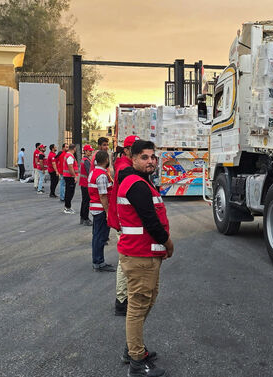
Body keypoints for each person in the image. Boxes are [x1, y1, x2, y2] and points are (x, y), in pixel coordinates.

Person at [117, 140, 171, 376]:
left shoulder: (138, 182)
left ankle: (133, 348)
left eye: (153, 157)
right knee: (138, 306)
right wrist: (168, 243)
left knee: (145, 302)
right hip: (140, 254)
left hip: (144, 253)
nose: (151, 161)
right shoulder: (137, 185)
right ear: (133, 158)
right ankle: (137, 362)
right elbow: (151, 221)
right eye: (144, 157)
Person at [110, 135, 139, 316]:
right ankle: (121, 300)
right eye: (134, 149)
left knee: (127, 261)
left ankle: (124, 297)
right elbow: (123, 173)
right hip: (123, 223)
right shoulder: (124, 165)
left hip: (124, 221)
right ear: (127, 150)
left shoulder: (126, 164)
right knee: (124, 262)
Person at [89, 150, 114, 272]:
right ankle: (99, 262)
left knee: (97, 235)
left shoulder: (94, 172)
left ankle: (97, 260)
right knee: (100, 236)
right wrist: (108, 212)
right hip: (101, 209)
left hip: (95, 208)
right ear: (106, 160)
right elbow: (103, 195)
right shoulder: (102, 175)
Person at [79, 145, 94, 226]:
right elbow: (90, 172)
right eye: (89, 151)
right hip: (86, 184)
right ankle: (85, 218)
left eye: (91, 151)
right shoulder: (86, 161)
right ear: (85, 151)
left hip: (83, 183)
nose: (91, 152)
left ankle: (82, 217)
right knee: (86, 202)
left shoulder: (84, 160)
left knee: (84, 201)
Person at [61, 143, 78, 214]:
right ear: (74, 148)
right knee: (69, 192)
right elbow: (70, 167)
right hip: (70, 177)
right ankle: (67, 207)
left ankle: (67, 207)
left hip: (67, 176)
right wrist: (74, 176)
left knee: (69, 191)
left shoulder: (68, 155)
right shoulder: (70, 156)